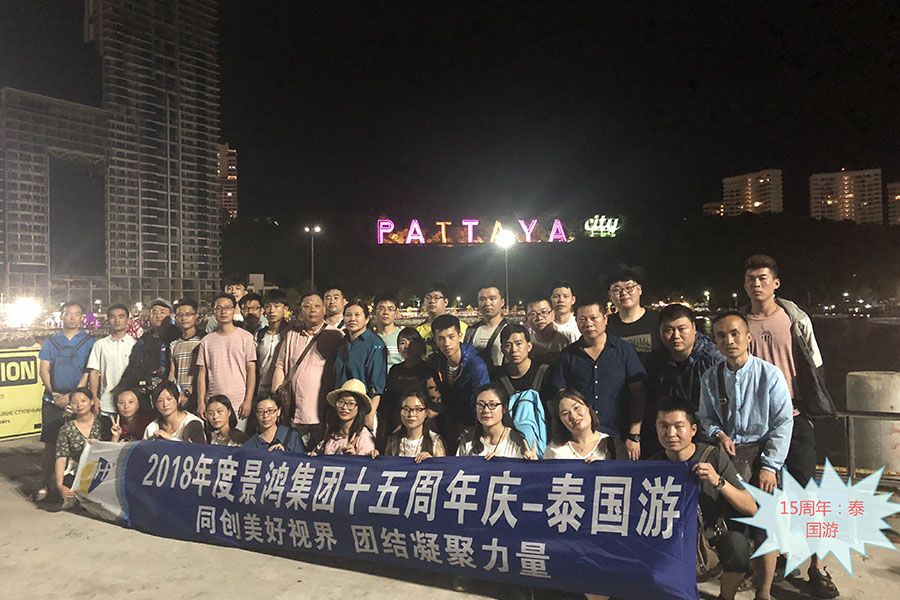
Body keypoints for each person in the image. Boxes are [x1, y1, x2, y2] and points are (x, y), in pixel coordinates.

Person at [743, 254, 838, 597]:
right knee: (764, 497)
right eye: (751, 279)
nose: (757, 284)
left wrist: (811, 411)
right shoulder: (741, 323)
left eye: (763, 278)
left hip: (796, 418)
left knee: (807, 496)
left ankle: (818, 566)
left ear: (776, 283)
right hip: (757, 424)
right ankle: (772, 561)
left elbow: (816, 366)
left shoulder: (795, 319)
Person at [698, 311, 793, 600]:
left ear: (748, 337)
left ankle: (763, 592)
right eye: (721, 335)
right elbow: (705, 417)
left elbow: (782, 422)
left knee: (766, 526)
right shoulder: (711, 377)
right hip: (727, 456)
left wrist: (770, 466)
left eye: (735, 333)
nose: (729, 340)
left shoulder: (770, 374)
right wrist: (719, 434)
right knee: (734, 526)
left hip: (761, 454)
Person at [653, 402, 757, 600]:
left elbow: (751, 507)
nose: (670, 433)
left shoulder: (713, 456)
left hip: (708, 541)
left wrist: (718, 481)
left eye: (678, 426)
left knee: (738, 545)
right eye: (663, 426)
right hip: (668, 542)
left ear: (693, 430)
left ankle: (726, 597)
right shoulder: (652, 465)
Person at [550, 298, 647, 460]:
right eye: (582, 319)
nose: (588, 324)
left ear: (605, 319)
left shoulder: (623, 350)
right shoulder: (568, 355)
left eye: (593, 318)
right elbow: (562, 396)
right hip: (582, 440)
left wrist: (634, 434)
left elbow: (638, 394)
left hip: (619, 436)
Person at [643, 303, 722, 457]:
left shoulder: (714, 358)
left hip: (707, 436)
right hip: (671, 436)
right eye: (668, 330)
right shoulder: (655, 360)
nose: (676, 336)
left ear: (694, 328)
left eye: (682, 329)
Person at [36, 301, 95, 502]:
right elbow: (44, 369)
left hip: (79, 400)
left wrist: (72, 395)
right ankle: (45, 483)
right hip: (52, 400)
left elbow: (88, 371)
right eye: (68, 313)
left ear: (82, 318)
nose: (71, 317)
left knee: (82, 445)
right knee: (51, 444)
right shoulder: (51, 341)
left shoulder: (89, 342)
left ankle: (76, 487)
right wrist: (54, 393)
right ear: (62, 316)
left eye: (76, 314)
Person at [271, 292, 343, 448]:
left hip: (322, 412)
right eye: (307, 306)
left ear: (324, 309)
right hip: (293, 411)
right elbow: (280, 367)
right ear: (300, 310)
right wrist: (275, 401)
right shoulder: (292, 335)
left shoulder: (335, 335)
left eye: (317, 306)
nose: (312, 310)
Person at [196, 293, 258, 431]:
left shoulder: (246, 337)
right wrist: (201, 402)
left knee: (238, 440)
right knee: (216, 442)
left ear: (234, 309)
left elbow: (251, 371)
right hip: (213, 403)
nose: (223, 311)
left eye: (228, 307)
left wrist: (248, 400)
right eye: (219, 308)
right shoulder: (207, 341)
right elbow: (202, 374)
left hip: (239, 403)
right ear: (213, 311)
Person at [431, 314, 490, 454]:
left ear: (459, 336)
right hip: (451, 423)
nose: (446, 344)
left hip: (473, 426)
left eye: (451, 337)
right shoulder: (438, 362)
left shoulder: (476, 366)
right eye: (441, 338)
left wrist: (477, 431)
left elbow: (483, 399)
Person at [333, 299, 387, 431]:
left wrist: (370, 414)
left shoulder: (375, 344)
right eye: (348, 315)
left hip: (363, 408)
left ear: (367, 319)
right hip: (342, 408)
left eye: (357, 315)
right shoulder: (343, 342)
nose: (352, 319)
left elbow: (377, 386)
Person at [116, 297, 179, 410]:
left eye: (162, 312)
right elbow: (133, 365)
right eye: (154, 312)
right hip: (148, 394)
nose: (158, 315)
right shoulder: (144, 340)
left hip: (172, 394)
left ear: (171, 315)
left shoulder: (178, 337)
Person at [378, 327, 434, 451]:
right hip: (394, 421)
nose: (407, 346)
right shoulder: (395, 370)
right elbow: (388, 399)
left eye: (412, 342)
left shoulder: (428, 369)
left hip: (418, 422)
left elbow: (433, 401)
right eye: (402, 343)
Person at [54, 388, 110, 508]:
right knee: (68, 492)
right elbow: (61, 457)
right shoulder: (66, 429)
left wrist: (115, 436)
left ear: (92, 402)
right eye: (74, 402)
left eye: (83, 401)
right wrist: (59, 485)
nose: (79, 405)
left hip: (103, 470)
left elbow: (112, 450)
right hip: (79, 471)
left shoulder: (104, 423)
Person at [456, 383, 538, 459]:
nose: (486, 410)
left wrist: (532, 465)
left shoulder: (516, 441)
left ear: (504, 408)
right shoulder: (467, 440)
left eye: (492, 405)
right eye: (481, 405)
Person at [86, 303, 136, 417]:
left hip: (130, 404)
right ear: (108, 320)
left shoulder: (135, 344)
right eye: (113, 317)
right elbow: (94, 372)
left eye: (121, 317)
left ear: (128, 320)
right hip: (107, 403)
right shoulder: (100, 345)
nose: (117, 320)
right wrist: (94, 397)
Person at [604, 265, 661, 362]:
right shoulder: (606, 325)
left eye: (629, 287)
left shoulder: (659, 320)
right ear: (610, 295)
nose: (624, 293)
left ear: (639, 289)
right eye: (617, 290)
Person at [545, 388, 614, 461]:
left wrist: (602, 466)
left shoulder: (612, 444)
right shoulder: (554, 450)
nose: (573, 416)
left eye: (576, 408)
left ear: (588, 407)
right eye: (565, 413)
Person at [315, 379, 378, 457]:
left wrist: (354, 456)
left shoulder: (363, 436)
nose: (344, 407)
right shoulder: (331, 432)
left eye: (351, 404)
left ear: (359, 408)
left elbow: (367, 463)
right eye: (341, 402)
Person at [383, 386, 447, 461]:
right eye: (406, 409)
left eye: (417, 409)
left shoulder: (435, 442)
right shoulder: (393, 441)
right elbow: (386, 465)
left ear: (426, 412)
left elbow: (442, 466)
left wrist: (431, 461)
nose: (411, 414)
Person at [168, 298, 204, 412]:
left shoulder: (204, 340)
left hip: (198, 395)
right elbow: (172, 373)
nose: (183, 318)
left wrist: (189, 392)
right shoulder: (174, 343)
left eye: (188, 314)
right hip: (179, 397)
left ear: (196, 316)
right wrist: (174, 393)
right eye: (179, 315)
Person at [415, 283, 468, 356]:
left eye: (436, 298)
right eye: (428, 297)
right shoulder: (418, 331)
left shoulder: (462, 327)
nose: (432, 301)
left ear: (446, 302)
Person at [463, 284, 508, 367]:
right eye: (482, 299)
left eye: (492, 299)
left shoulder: (510, 329)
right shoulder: (471, 330)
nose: (487, 303)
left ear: (502, 302)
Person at [256, 289, 290, 395]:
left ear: (285, 309)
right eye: (268, 306)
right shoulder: (260, 334)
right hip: (261, 389)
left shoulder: (291, 334)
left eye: (276, 306)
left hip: (283, 390)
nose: (272, 310)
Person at [525, 297, 569, 365]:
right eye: (533, 314)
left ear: (553, 314)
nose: (539, 318)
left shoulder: (567, 338)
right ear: (527, 318)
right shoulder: (526, 344)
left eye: (544, 312)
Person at [373, 293, 404, 371]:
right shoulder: (370, 338)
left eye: (390, 309)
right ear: (375, 311)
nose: (386, 312)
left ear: (396, 313)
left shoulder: (403, 336)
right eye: (381, 308)